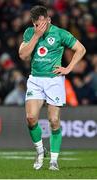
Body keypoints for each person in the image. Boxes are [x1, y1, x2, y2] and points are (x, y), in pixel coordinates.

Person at [19, 5, 86, 170]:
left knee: (54, 121)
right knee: (30, 118)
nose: (40, 27)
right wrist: (36, 36)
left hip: (54, 80)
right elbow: (23, 55)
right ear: (33, 23)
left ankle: (54, 161)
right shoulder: (30, 33)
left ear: (49, 19)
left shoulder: (60, 33)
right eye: (37, 25)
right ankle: (40, 151)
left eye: (43, 24)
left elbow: (81, 49)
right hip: (36, 79)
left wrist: (68, 68)